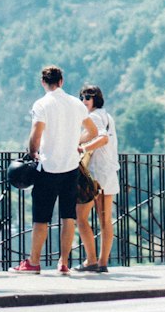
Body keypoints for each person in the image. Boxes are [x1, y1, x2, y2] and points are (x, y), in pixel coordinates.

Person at [12, 65, 97, 275]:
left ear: (43, 83)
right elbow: (93, 131)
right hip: (71, 167)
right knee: (68, 216)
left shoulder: (42, 104)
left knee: (41, 217)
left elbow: (36, 133)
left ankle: (33, 262)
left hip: (48, 167)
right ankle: (64, 261)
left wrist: (33, 152)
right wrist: (76, 141)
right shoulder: (76, 104)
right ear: (61, 81)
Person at [76, 84, 119, 273]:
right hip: (109, 173)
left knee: (81, 217)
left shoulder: (93, 116)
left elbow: (103, 138)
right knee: (105, 220)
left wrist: (83, 148)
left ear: (95, 99)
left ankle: (91, 260)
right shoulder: (107, 116)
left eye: (87, 97)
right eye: (82, 97)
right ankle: (102, 263)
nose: (84, 101)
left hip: (96, 175)